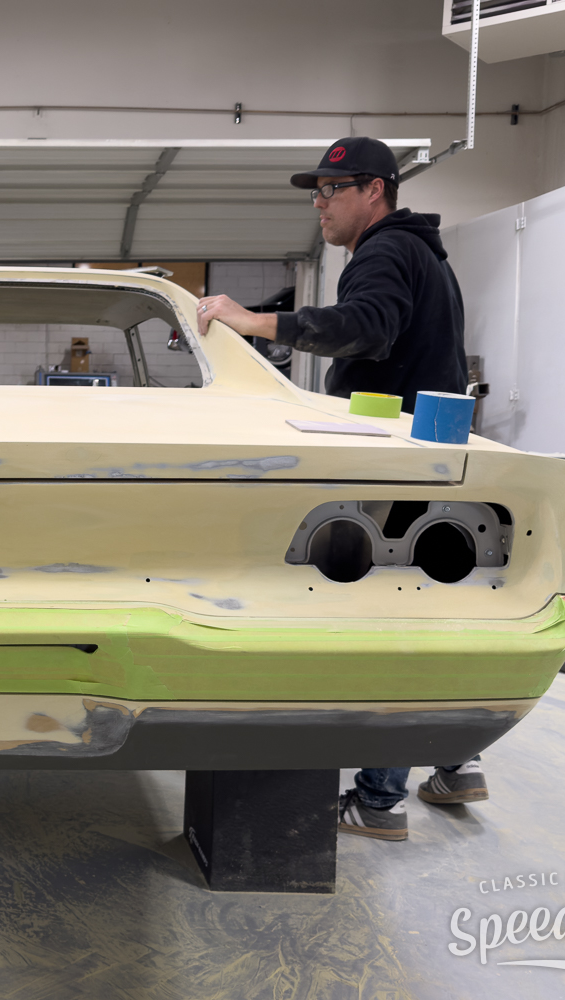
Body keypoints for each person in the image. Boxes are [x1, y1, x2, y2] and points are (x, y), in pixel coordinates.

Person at [194, 136, 483, 842]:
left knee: (390, 625)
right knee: (426, 613)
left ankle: (380, 801)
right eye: (316, 193)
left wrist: (256, 321)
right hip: (431, 461)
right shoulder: (422, 255)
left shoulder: (384, 251)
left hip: (392, 469)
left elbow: (365, 327)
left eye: (331, 190)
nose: (319, 205)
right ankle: (457, 763)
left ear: (374, 190)